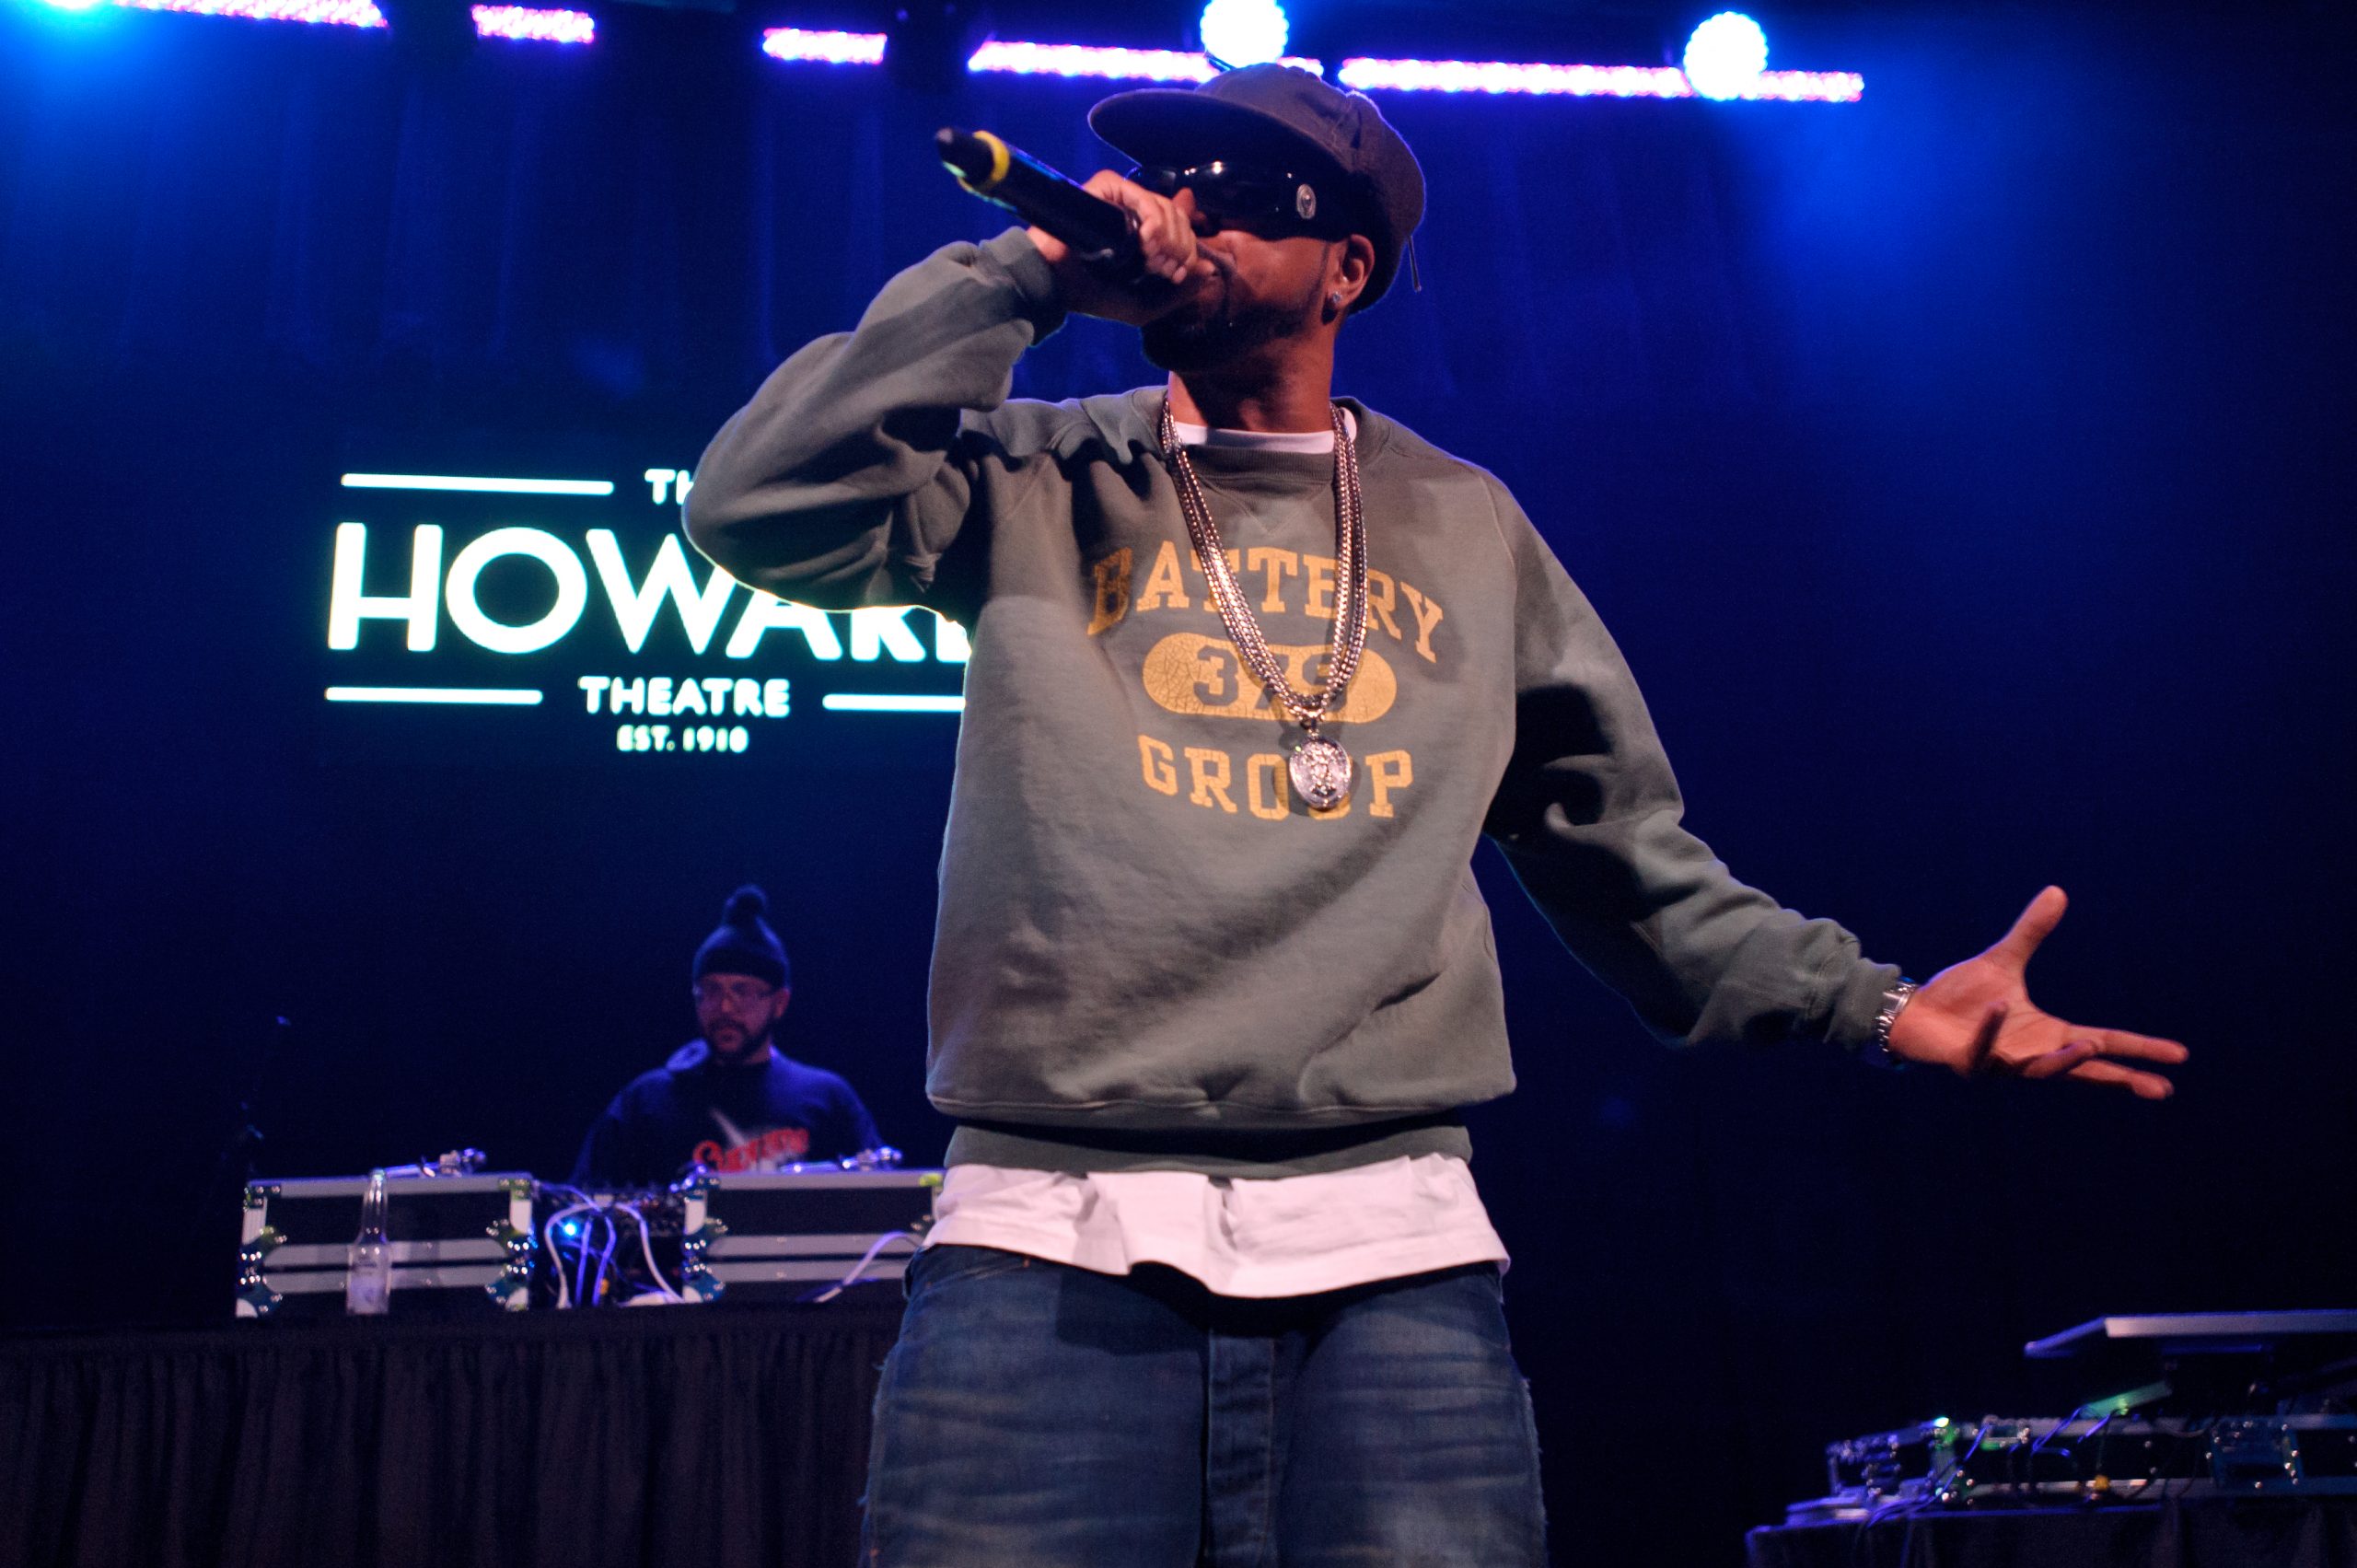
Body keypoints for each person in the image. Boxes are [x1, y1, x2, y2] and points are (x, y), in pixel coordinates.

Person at [682, 64, 2187, 1567]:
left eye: (1240, 190)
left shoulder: (1465, 523)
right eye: (1174, 178)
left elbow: (1628, 859)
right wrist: (1020, 275)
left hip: (1391, 1255)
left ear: (1348, 266)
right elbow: (749, 504)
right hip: (1045, 1234)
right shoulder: (1036, 467)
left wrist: (1884, 1003)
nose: (1187, 207)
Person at [571, 884, 881, 1188]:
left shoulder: (828, 1099)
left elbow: (880, 1202)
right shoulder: (645, 1102)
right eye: (711, 990)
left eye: (742, 991)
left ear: (779, 1003)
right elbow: (583, 1206)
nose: (725, 1007)